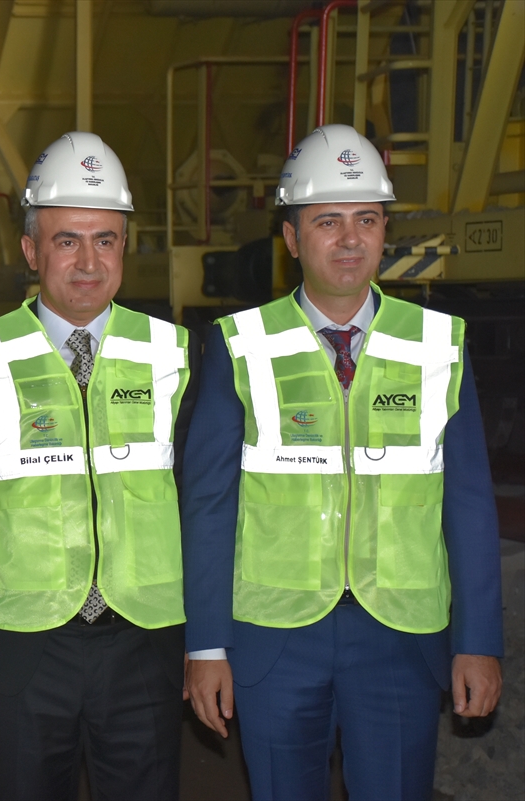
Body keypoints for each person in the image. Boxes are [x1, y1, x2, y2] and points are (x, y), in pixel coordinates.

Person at [183, 124, 504, 801]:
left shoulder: (439, 344)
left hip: (399, 637)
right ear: (292, 238)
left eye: (367, 219)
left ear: (385, 232)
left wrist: (478, 640)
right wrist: (206, 645)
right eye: (328, 221)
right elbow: (208, 507)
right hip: (274, 638)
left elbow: (470, 504)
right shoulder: (239, 345)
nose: (350, 238)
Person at [0, 132, 198, 800]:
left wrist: (206, 642)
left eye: (105, 240)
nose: (88, 261)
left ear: (125, 246)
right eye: (67, 240)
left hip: (145, 639)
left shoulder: (176, 354)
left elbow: (203, 504)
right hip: (24, 643)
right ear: (31, 250)